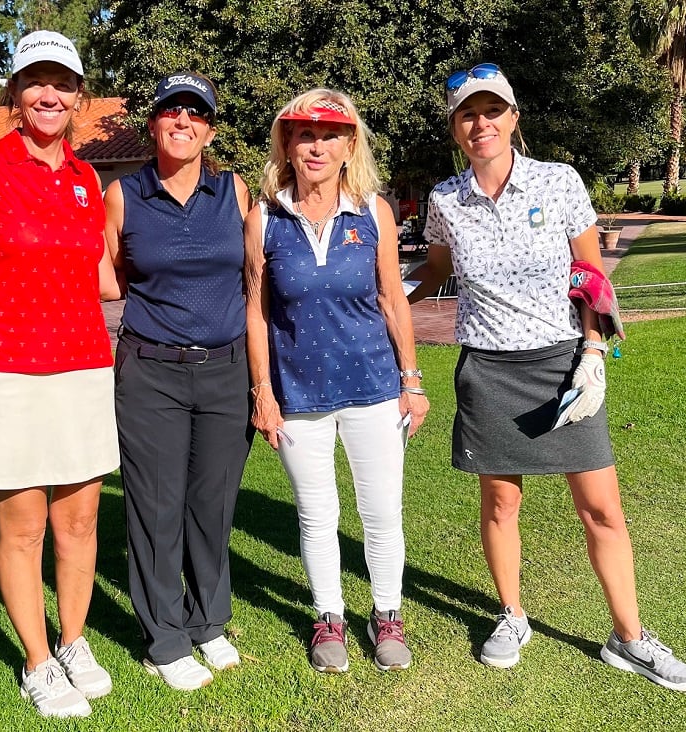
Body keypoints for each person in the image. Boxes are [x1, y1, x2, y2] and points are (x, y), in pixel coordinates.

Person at [407, 63, 686, 693]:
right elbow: (432, 276)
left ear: (514, 119)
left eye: (493, 111)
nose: (481, 123)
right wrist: (374, 299)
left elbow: (590, 275)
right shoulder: (443, 200)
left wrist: (594, 350)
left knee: (601, 508)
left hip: (563, 364)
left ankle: (630, 638)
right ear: (455, 129)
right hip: (487, 368)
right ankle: (512, 616)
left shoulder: (560, 181)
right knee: (501, 502)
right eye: (468, 114)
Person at [0, 30, 119, 718]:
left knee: (79, 524)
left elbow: (103, 277)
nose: (50, 94)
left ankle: (73, 642)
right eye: (36, 82)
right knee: (22, 530)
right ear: (15, 93)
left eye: (63, 83)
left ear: (78, 97)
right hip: (7, 372)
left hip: (83, 367)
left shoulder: (86, 178)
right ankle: (38, 662)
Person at [244, 89, 429, 674]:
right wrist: (263, 393)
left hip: (374, 387)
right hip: (297, 394)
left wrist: (412, 379)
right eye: (303, 134)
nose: (316, 145)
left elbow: (392, 299)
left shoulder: (373, 210)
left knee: (381, 512)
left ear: (350, 145)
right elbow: (257, 310)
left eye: (329, 134)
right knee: (316, 514)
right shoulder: (264, 217)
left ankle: (387, 615)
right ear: (286, 144)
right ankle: (329, 617)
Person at [104, 71, 254, 692]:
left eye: (195, 114)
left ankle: (209, 621)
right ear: (154, 123)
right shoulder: (125, 194)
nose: (182, 123)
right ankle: (165, 637)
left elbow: (255, 278)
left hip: (226, 369)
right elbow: (107, 277)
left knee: (212, 506)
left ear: (210, 129)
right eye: (171, 112)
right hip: (152, 370)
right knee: (157, 506)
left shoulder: (234, 192)